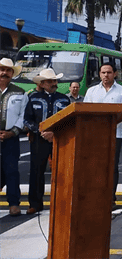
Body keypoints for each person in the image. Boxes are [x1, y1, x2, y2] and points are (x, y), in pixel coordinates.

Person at [23, 68, 71, 214]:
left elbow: (69, 120)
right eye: (50, 81)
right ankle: (35, 204)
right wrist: (40, 131)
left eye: (55, 80)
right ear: (42, 83)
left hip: (60, 139)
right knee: (36, 171)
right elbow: (27, 119)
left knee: (62, 171)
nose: (53, 83)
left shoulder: (64, 99)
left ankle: (62, 202)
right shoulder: (33, 98)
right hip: (39, 139)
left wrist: (54, 133)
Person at [83, 62, 122, 202]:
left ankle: (110, 198)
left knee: (111, 167)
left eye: (109, 72)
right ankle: (95, 197)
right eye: (103, 72)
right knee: (95, 166)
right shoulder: (91, 91)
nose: (106, 75)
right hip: (95, 135)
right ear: (99, 74)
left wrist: (108, 123)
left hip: (114, 135)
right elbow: (85, 112)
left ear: (115, 74)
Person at [0, 58, 28, 216]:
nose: (4, 73)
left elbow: (22, 116)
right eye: (1, 69)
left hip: (11, 137)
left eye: (7, 70)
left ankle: (13, 203)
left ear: (12, 73)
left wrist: (12, 132)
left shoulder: (20, 92)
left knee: (11, 170)